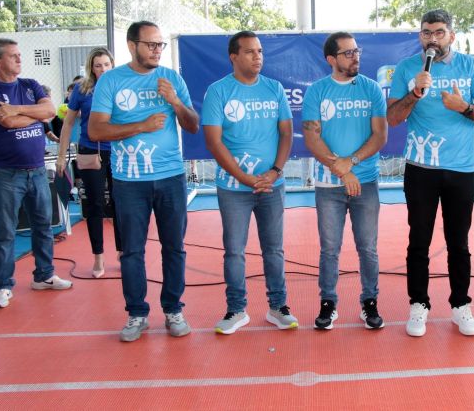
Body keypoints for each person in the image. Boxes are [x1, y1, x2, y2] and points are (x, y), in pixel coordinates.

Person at [386, 9, 474, 337]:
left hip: (460, 170)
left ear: (451, 36)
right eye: (426, 32)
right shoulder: (407, 68)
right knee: (418, 240)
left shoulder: (468, 66)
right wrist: (415, 93)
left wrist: (464, 108)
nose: (432, 37)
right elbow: (392, 118)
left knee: (457, 242)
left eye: (439, 32)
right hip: (421, 169)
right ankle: (418, 304)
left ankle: (461, 304)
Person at [89, 21, 199, 342]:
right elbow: (96, 130)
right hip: (129, 181)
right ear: (131, 45)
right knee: (133, 251)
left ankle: (173, 309)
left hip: (170, 177)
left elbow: (192, 125)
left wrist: (176, 101)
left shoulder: (172, 78)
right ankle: (137, 314)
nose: (156, 50)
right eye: (150, 44)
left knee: (174, 248)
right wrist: (141, 125)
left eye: (160, 45)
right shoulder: (110, 81)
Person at [202, 30, 298, 335]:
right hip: (233, 188)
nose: (257, 57)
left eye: (260, 51)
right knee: (234, 250)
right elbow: (214, 143)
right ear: (234, 57)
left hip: (271, 185)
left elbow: (286, 133)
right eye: (250, 52)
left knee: (274, 249)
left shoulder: (274, 88)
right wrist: (244, 178)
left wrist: (275, 171)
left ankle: (278, 307)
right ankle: (236, 310)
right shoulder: (218, 92)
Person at [0, 38, 73, 309]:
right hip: (7, 174)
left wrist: (18, 109)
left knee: (43, 227)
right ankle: (3, 286)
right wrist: (34, 114)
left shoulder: (30, 84)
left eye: (20, 55)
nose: (19, 59)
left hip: (37, 171)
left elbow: (50, 111)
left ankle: (44, 275)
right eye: (13, 56)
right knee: (5, 232)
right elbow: (6, 122)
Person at [302, 32, 388, 330]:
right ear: (331, 59)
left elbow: (380, 135)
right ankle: (328, 303)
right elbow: (312, 138)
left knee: (368, 248)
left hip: (365, 182)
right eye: (348, 53)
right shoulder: (316, 92)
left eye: (356, 51)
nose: (356, 57)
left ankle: (370, 302)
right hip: (329, 186)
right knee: (329, 249)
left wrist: (351, 163)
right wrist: (342, 171)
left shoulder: (372, 89)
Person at [56, 48, 121, 278]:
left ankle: (122, 252)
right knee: (94, 204)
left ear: (112, 64)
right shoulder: (82, 90)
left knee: (120, 203)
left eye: (106, 64)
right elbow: (68, 124)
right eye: (98, 65)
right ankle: (98, 256)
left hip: (119, 152)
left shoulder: (121, 85)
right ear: (91, 68)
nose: (103, 69)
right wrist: (61, 156)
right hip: (90, 151)